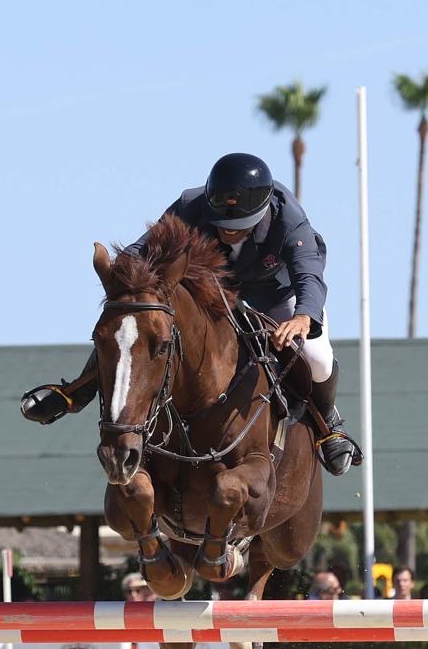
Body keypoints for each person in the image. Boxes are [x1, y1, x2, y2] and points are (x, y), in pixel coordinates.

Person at [19, 152, 359, 476]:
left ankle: (330, 424)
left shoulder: (288, 218)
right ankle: (76, 392)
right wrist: (121, 273)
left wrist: (303, 317)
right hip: (216, 292)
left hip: (276, 292)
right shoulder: (190, 206)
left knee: (316, 356)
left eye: (238, 224)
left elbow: (308, 275)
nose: (228, 230)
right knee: (134, 326)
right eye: (223, 222)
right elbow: (144, 247)